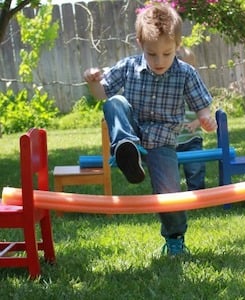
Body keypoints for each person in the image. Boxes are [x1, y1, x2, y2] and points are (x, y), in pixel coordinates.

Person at [83, 3, 217, 256]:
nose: (159, 61)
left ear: (177, 45)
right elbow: (102, 94)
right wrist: (92, 81)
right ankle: (126, 149)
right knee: (115, 102)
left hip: (163, 141)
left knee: (170, 193)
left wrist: (206, 119)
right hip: (133, 133)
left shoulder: (186, 73)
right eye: (152, 54)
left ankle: (175, 239)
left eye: (167, 54)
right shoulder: (128, 66)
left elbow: (202, 106)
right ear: (140, 44)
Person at [176, 46, 205, 191]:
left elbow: (205, 112)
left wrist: (197, 122)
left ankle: (197, 193)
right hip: (172, 141)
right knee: (170, 171)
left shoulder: (195, 90)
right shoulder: (170, 89)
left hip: (192, 138)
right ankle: (171, 195)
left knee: (195, 168)